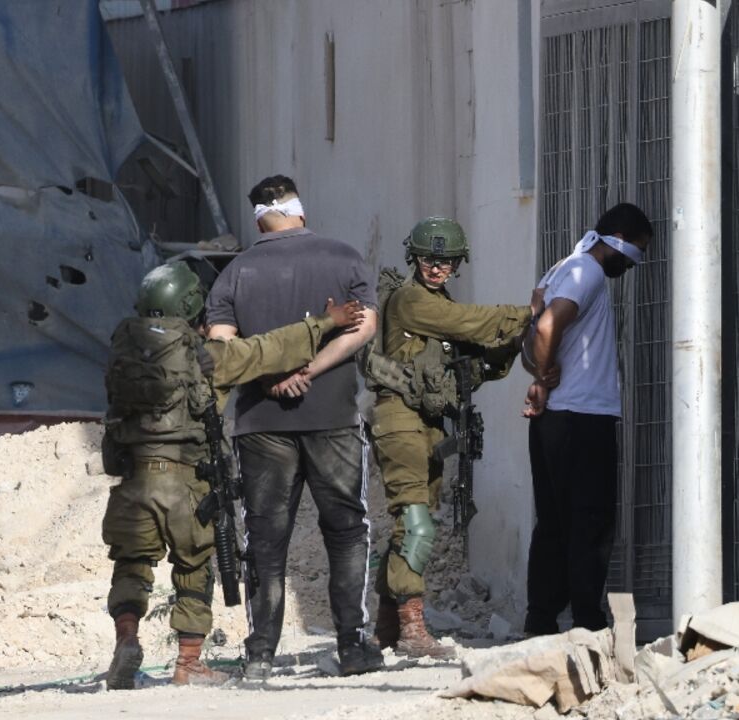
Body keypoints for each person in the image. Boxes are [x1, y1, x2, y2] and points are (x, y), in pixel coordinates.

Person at [102, 260, 365, 690]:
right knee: (194, 568)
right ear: (190, 305)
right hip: (185, 483)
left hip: (132, 481)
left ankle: (126, 638)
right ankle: (188, 663)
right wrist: (326, 321)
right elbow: (272, 348)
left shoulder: (122, 353)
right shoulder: (205, 358)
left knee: (131, 566)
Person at [205, 175, 383, 679]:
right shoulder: (344, 257)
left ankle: (260, 654)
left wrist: (274, 376)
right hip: (333, 418)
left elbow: (221, 349)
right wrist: (310, 370)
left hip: (260, 422)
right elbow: (365, 326)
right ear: (299, 210)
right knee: (347, 531)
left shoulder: (234, 273)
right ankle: (352, 645)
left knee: (265, 538)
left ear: (259, 217)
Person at [367, 217, 536, 657]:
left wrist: (512, 342)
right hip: (399, 418)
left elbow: (477, 361)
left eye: (446, 261)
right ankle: (413, 632)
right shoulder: (411, 300)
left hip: (427, 422)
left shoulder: (438, 305)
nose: (436, 268)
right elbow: (470, 323)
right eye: (428, 258)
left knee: (412, 525)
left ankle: (388, 628)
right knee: (416, 524)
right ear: (413, 258)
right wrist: (528, 314)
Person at [520, 202, 653, 635]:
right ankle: (587, 621)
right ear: (617, 242)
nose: (634, 265)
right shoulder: (587, 271)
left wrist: (541, 377)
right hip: (582, 418)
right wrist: (543, 376)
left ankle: (541, 619)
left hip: (555, 420)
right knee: (590, 521)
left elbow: (533, 328)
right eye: (636, 253)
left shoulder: (561, 268)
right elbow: (544, 330)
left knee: (555, 522)